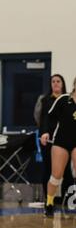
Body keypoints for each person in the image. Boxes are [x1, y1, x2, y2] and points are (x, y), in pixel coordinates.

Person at [41, 77, 76, 217]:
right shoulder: (63, 99)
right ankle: (49, 202)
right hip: (61, 141)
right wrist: (45, 132)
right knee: (56, 176)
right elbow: (49, 117)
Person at [34, 74, 67, 198]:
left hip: (65, 138)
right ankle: (49, 199)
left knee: (67, 172)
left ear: (62, 83)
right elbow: (40, 119)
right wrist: (44, 132)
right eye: (53, 81)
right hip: (48, 138)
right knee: (48, 169)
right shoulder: (44, 100)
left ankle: (67, 199)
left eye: (58, 81)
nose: (56, 83)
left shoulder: (68, 99)